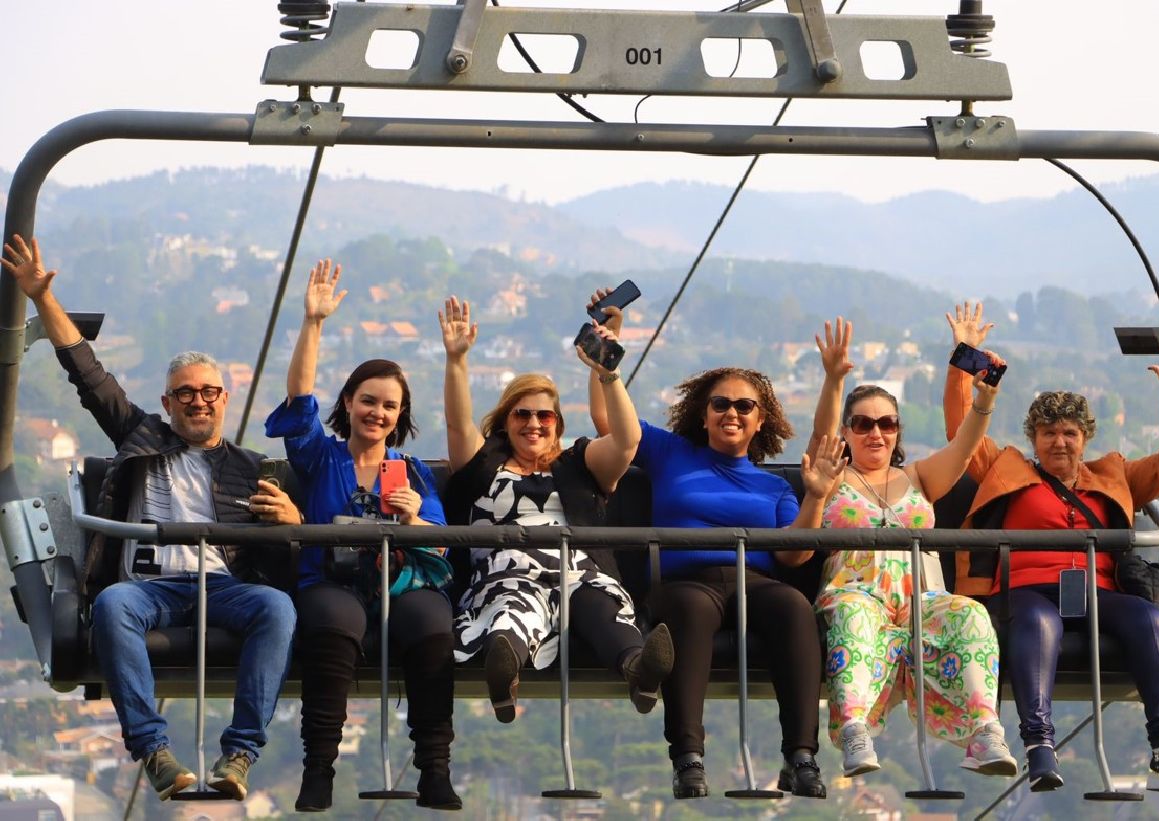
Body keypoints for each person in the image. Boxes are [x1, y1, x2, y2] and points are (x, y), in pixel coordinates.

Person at [1, 235, 299, 801]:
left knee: (277, 608)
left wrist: (290, 518)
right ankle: (154, 752)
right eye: (185, 394)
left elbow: (278, 555)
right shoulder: (138, 437)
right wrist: (42, 299)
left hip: (221, 585)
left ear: (224, 399)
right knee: (113, 605)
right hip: (150, 585)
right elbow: (88, 375)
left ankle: (239, 754)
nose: (198, 402)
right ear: (167, 404)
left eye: (209, 392)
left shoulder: (251, 467)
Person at [944, 302, 1159, 792]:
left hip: (1097, 590)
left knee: (1148, 619)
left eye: (1070, 433)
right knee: (1039, 622)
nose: (1059, 443)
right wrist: (966, 360)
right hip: (1027, 590)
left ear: (1085, 439)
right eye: (1048, 433)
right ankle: (1039, 744)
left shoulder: (1114, 476)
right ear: (1033, 439)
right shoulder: (1007, 469)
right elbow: (962, 435)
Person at [586, 296, 828, 800]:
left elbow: (794, 555)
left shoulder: (774, 489)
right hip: (686, 581)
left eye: (745, 406)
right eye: (721, 404)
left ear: (761, 420)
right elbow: (613, 425)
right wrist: (605, 363)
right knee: (690, 613)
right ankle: (688, 757)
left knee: (794, 607)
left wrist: (817, 496)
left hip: (757, 583)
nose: (732, 413)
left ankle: (801, 756)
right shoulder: (672, 453)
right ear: (704, 413)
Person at [783, 315, 1017, 779]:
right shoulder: (833, 477)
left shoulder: (918, 479)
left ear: (898, 431)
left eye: (886, 423)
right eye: (863, 424)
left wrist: (983, 399)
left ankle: (984, 729)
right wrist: (833, 380)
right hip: (856, 590)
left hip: (920, 598)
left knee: (969, 614)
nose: (876, 433)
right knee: (856, 617)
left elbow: (965, 449)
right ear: (848, 432)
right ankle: (853, 727)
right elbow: (821, 436)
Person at [264, 260, 459, 812]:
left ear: (399, 419)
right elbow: (300, 404)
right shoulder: (322, 457)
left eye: (388, 406)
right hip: (334, 578)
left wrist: (414, 519)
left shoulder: (415, 473)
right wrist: (313, 323)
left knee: (431, 621)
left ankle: (434, 769)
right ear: (348, 404)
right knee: (332, 621)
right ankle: (319, 767)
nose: (376, 412)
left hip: (400, 581)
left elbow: (442, 543)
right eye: (367, 400)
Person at [438, 295, 673, 727]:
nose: (533, 423)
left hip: (577, 571)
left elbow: (626, 440)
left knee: (598, 605)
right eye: (521, 415)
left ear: (558, 425)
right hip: (506, 572)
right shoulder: (482, 465)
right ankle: (503, 667)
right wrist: (456, 361)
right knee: (513, 607)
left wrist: (608, 373)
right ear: (505, 422)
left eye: (544, 416)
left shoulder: (579, 464)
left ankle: (639, 668)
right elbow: (457, 424)